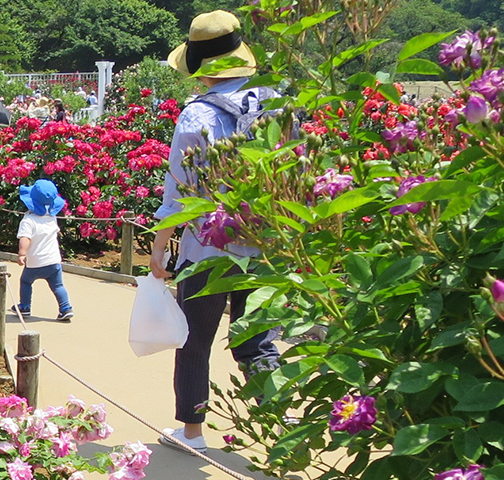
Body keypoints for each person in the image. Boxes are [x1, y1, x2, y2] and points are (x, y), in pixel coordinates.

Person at [149, 9, 282, 455]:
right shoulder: (275, 103)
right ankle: (283, 436)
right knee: (258, 341)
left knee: (194, 340)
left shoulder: (195, 118)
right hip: (264, 242)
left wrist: (159, 251)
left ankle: (192, 434)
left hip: (207, 247)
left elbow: (178, 194)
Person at [12, 179, 73, 322]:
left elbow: (25, 238)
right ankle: (66, 308)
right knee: (58, 286)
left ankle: (25, 306)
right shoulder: (52, 218)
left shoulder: (28, 220)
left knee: (26, 282)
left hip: (35, 262)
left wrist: (22, 254)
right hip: (53, 261)